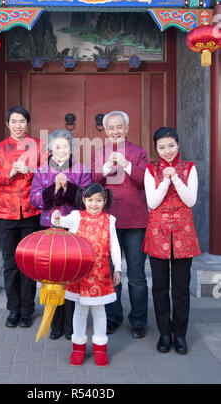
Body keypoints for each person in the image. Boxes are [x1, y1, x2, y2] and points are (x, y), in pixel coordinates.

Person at [0, 106, 46, 329]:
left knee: (28, 264)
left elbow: (49, 173)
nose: (18, 126)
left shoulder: (38, 146)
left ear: (28, 124)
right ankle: (13, 309)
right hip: (6, 213)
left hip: (31, 211)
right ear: (7, 124)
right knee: (10, 264)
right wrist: (8, 173)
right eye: (14, 121)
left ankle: (27, 309)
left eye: (22, 122)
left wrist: (28, 168)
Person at [143, 127, 201, 355]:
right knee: (159, 287)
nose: (167, 151)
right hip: (157, 233)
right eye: (161, 147)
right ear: (156, 149)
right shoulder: (150, 169)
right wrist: (165, 180)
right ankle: (164, 333)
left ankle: (181, 335)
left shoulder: (189, 168)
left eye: (171, 145)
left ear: (178, 145)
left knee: (180, 288)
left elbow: (191, 200)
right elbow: (153, 202)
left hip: (183, 233)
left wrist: (174, 176)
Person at [91, 111, 149, 338]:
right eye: (111, 128)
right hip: (108, 221)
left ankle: (139, 320)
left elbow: (144, 181)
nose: (115, 131)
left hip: (135, 220)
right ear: (105, 131)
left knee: (136, 274)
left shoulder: (139, 152)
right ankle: (113, 317)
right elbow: (93, 183)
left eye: (119, 127)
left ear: (126, 128)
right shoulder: (99, 152)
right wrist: (104, 170)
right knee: (109, 273)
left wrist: (125, 163)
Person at [30, 129, 91, 340]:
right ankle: (54, 323)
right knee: (52, 276)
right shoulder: (41, 171)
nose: (61, 151)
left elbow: (85, 199)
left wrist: (68, 186)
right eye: (57, 147)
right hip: (50, 228)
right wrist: (53, 187)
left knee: (72, 276)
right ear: (50, 149)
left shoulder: (82, 170)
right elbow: (35, 200)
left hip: (73, 228)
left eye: (65, 147)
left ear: (71, 148)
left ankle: (70, 324)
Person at [51, 183, 122, 367]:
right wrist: (56, 216)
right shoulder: (76, 217)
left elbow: (114, 245)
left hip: (101, 274)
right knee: (80, 311)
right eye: (90, 200)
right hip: (80, 274)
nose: (94, 204)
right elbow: (59, 222)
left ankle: (100, 349)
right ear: (83, 200)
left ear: (105, 200)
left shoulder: (110, 220)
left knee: (99, 312)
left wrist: (118, 268)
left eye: (98, 200)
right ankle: (78, 348)